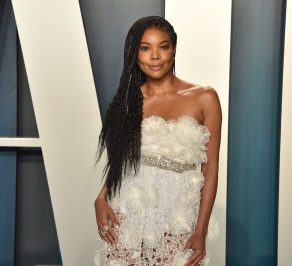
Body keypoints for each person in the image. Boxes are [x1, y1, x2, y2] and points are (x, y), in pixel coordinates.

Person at [94, 16, 221, 266]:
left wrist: (201, 229)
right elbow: (121, 162)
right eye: (145, 48)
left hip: (178, 213)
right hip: (128, 211)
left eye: (163, 46)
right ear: (134, 53)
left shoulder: (204, 98)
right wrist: (101, 197)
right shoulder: (128, 102)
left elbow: (211, 167)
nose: (155, 56)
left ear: (174, 49)